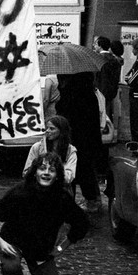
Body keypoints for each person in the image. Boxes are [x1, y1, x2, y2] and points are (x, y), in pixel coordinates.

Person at [56, 72, 103, 212]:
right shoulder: (89, 94)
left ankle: (78, 201)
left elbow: (63, 114)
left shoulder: (69, 93)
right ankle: (92, 199)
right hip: (88, 139)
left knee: (74, 168)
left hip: (74, 138)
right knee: (85, 168)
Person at [23, 115, 77, 186]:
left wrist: (53, 173)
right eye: (47, 128)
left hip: (61, 187)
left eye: (52, 128)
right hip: (38, 187)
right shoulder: (37, 147)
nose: (47, 131)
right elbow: (26, 173)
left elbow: (69, 177)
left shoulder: (70, 150)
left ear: (61, 131)